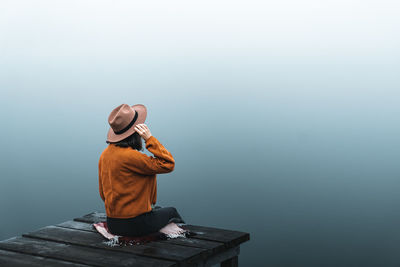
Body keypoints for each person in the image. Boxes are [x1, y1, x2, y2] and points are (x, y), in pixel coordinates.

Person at [98, 103, 186, 237]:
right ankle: (177, 236)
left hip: (113, 223)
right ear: (136, 132)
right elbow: (168, 164)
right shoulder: (132, 157)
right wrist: (149, 139)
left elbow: (103, 194)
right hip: (134, 224)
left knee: (159, 211)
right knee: (171, 212)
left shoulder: (105, 155)